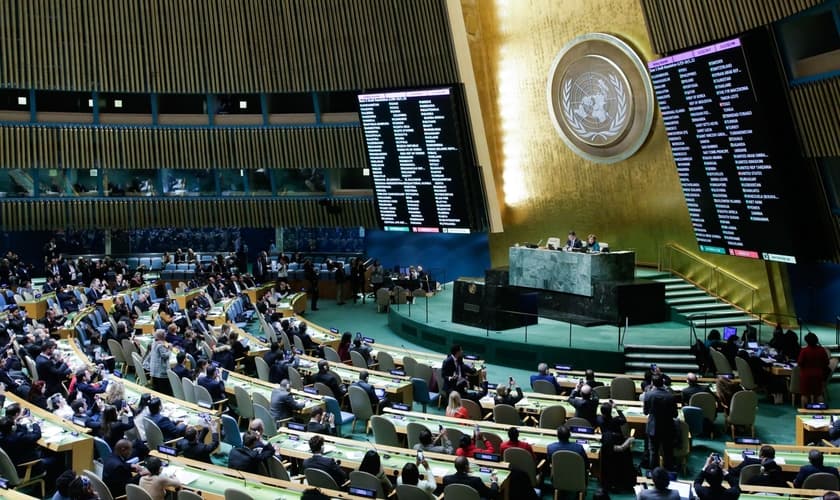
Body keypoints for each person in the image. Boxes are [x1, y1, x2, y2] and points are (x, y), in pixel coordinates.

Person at [598, 402, 635, 492]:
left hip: (606, 445)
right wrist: (617, 408)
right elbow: (624, 419)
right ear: (610, 411)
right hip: (618, 444)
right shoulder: (616, 420)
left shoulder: (599, 419)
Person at [644, 374, 677, 471]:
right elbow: (675, 414)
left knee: (653, 452)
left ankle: (654, 473)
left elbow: (645, 412)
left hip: (653, 428)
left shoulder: (648, 395)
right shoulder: (670, 396)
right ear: (663, 383)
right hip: (667, 427)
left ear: (653, 383)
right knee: (668, 452)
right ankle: (668, 473)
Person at [798, 332, 830, 405]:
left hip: (806, 376)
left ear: (807, 341)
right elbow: (827, 363)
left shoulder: (804, 351)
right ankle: (820, 411)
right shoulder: (821, 350)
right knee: (818, 394)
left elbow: (800, 363)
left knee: (805, 395)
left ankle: (804, 413)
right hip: (818, 375)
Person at [148, 330, 172, 396]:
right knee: (164, 390)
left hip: (154, 369)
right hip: (160, 371)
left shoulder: (154, 342)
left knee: (156, 388)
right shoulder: (160, 345)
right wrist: (170, 349)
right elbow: (165, 356)